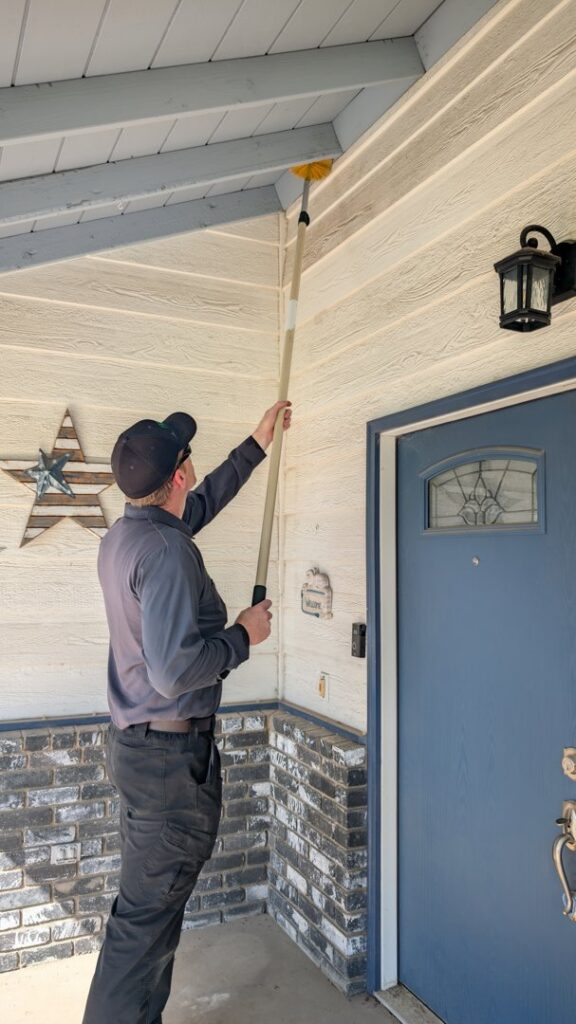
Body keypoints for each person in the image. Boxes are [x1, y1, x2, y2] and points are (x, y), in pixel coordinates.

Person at [82, 400, 292, 1024]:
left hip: (142, 752)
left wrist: (255, 444)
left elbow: (199, 509)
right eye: (185, 454)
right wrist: (242, 637)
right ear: (178, 475)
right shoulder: (166, 553)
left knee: (148, 919)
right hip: (169, 764)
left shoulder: (130, 535)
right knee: (141, 930)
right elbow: (174, 673)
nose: (192, 462)